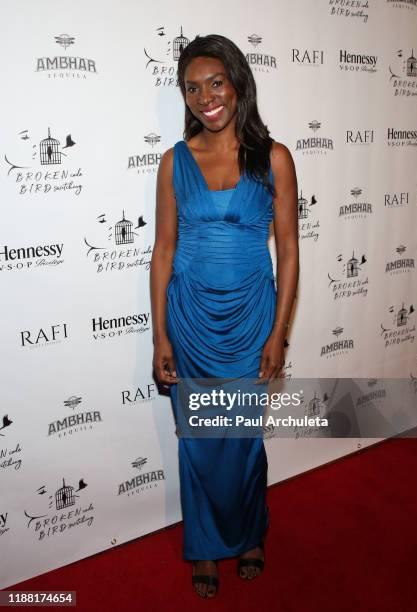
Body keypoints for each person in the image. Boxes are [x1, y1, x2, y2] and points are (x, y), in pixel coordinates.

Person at [150, 34, 299, 599]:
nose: (204, 97)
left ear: (237, 84)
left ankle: (249, 532)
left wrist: (279, 333)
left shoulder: (275, 158)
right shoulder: (174, 162)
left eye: (215, 82)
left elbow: (288, 250)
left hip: (250, 319)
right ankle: (207, 545)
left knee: (241, 438)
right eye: (192, 87)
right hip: (189, 320)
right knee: (199, 439)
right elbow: (163, 251)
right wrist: (161, 332)